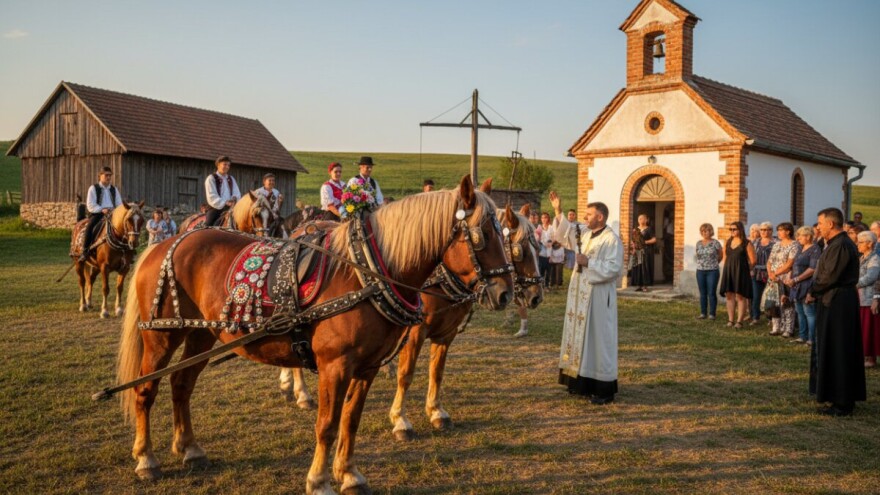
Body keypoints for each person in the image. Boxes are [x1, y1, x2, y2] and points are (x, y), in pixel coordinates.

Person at [551, 191, 623, 405]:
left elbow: (614, 268)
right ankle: (579, 383)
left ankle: (603, 389)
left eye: (589, 214)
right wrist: (557, 210)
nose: (585, 217)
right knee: (580, 339)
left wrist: (588, 263)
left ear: (600, 217)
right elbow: (565, 234)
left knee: (598, 341)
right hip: (580, 297)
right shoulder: (584, 232)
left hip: (599, 298)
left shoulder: (612, 239)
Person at [807, 207, 866, 417]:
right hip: (833, 300)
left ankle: (843, 401)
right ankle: (835, 394)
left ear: (830, 224)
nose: (819, 228)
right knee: (832, 347)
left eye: (820, 224)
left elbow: (830, 275)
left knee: (840, 349)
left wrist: (812, 291)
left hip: (839, 302)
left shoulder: (841, 245)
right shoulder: (834, 244)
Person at [80, 166, 124, 262]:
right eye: (106, 175)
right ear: (100, 176)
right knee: (90, 227)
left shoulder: (114, 189)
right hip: (98, 214)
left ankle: (127, 250)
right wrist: (101, 209)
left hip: (112, 214)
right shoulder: (93, 188)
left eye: (110, 175)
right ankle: (85, 251)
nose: (108, 177)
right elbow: (90, 204)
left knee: (123, 227)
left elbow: (119, 204)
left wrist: (117, 212)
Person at [785, 226, 820, 345]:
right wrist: (789, 276)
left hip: (807, 285)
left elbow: (812, 269)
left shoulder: (815, 249)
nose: (798, 238)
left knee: (809, 312)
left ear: (808, 236)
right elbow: (795, 264)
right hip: (796, 285)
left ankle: (811, 339)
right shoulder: (800, 247)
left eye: (800, 235)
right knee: (799, 312)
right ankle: (802, 336)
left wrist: (796, 279)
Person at [718, 221, 756, 328]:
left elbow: (753, 261)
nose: (732, 231)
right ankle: (730, 320)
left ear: (740, 230)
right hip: (729, 271)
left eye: (734, 229)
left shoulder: (746, 243)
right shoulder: (727, 242)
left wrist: (745, 271)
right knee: (729, 295)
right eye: (730, 229)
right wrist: (726, 270)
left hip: (741, 272)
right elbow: (725, 258)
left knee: (740, 296)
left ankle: (739, 321)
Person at [767, 222, 799, 338]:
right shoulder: (776, 244)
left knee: (787, 303)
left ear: (788, 231)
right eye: (778, 230)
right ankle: (776, 327)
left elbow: (790, 262)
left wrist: (776, 273)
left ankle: (788, 328)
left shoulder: (794, 245)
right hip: (773, 278)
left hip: (786, 277)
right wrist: (770, 273)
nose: (778, 233)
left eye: (781, 230)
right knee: (773, 302)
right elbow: (770, 261)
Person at [855, 231, 880, 368]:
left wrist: (854, 284)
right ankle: (865, 355)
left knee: (869, 327)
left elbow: (872, 277)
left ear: (870, 244)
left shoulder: (874, 259)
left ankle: (871, 358)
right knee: (863, 327)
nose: (858, 245)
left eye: (861, 242)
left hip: (869, 298)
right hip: (861, 297)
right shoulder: (862, 258)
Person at [695, 223, 723, 320]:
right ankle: (703, 313)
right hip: (700, 271)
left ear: (710, 231)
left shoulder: (716, 243)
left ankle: (712, 314)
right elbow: (698, 255)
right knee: (702, 293)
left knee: (711, 292)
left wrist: (714, 263)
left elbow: (720, 256)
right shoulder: (698, 243)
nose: (704, 233)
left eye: (706, 231)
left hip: (712, 271)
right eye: (702, 231)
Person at [205, 156, 241, 227]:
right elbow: (211, 195)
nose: (227, 167)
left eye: (228, 165)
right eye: (224, 164)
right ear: (218, 165)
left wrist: (234, 199)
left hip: (232, 208)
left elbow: (236, 192)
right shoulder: (211, 178)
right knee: (208, 226)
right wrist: (225, 202)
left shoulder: (231, 179)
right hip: (216, 208)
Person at [750, 222, 775, 326]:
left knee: (770, 297)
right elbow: (750, 257)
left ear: (771, 231)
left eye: (767, 229)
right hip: (756, 272)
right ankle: (755, 317)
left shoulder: (775, 243)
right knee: (756, 296)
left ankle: (771, 318)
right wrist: (750, 269)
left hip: (770, 273)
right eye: (762, 230)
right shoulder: (754, 243)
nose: (764, 232)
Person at [635, 214, 657, 287]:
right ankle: (639, 285)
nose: (640, 220)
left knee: (645, 267)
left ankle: (646, 284)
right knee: (638, 267)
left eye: (642, 218)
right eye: (639, 219)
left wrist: (645, 242)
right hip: (638, 251)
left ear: (646, 220)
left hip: (647, 251)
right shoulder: (635, 229)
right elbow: (633, 240)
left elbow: (654, 239)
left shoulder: (649, 229)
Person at [629, 228, 650, 292]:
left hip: (641, 255)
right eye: (633, 231)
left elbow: (642, 246)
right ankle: (639, 286)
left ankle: (644, 286)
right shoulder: (632, 238)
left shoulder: (641, 237)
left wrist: (637, 249)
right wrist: (632, 251)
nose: (634, 233)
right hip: (636, 256)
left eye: (635, 231)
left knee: (642, 270)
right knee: (637, 270)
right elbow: (631, 247)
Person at [538, 212, 555, 289]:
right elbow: (538, 238)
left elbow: (554, 237)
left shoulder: (551, 227)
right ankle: (541, 285)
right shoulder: (539, 227)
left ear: (548, 219)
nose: (544, 219)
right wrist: (544, 242)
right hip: (541, 252)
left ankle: (547, 285)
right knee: (541, 270)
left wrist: (551, 243)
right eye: (542, 218)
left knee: (548, 270)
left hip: (549, 251)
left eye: (545, 217)